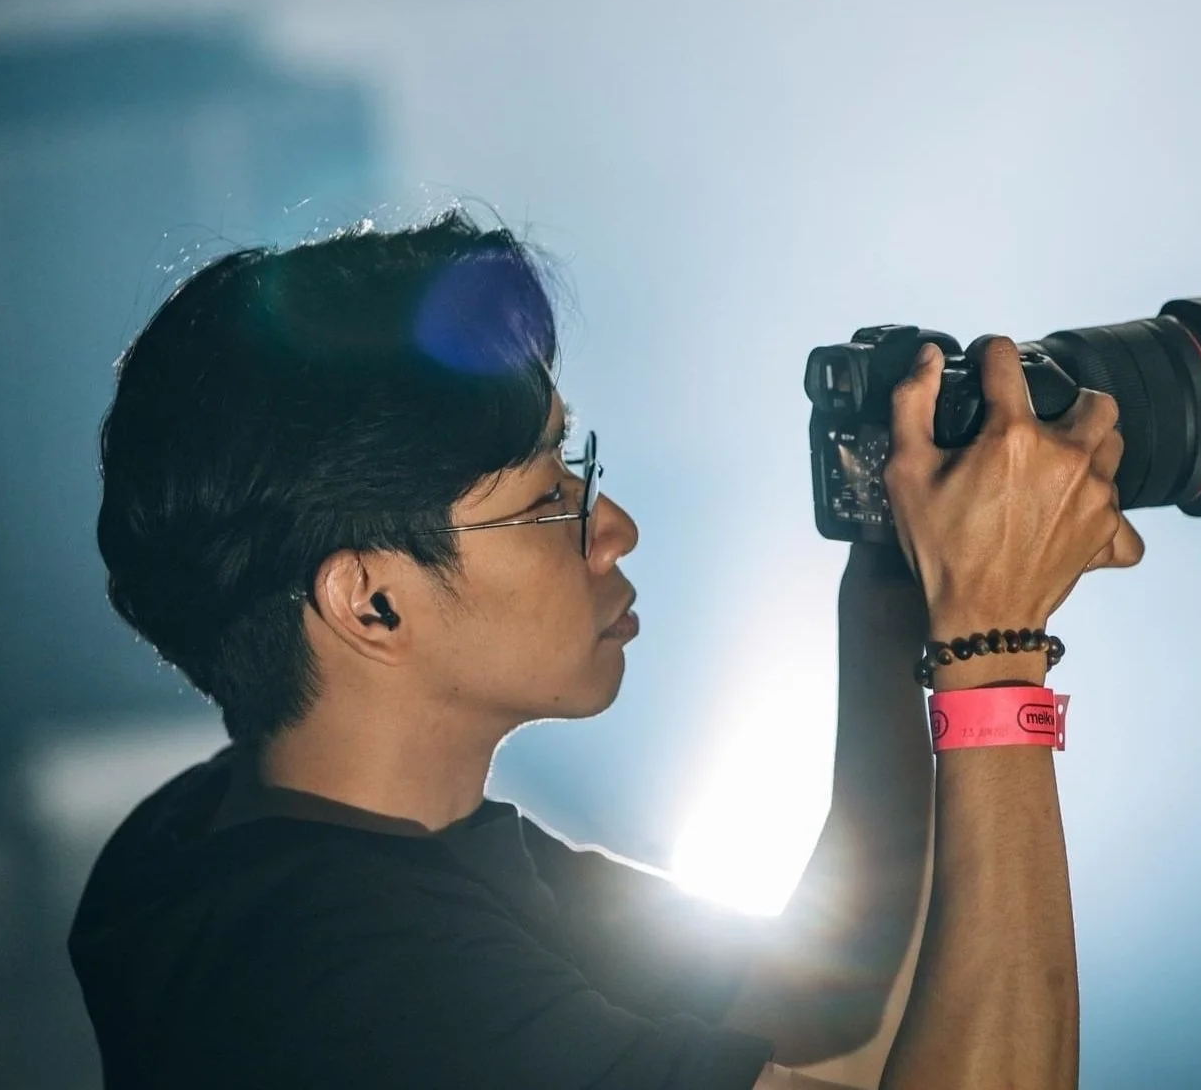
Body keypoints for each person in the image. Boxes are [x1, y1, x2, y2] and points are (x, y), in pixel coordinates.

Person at [69, 211, 1140, 1089]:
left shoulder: (222, 850)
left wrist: (892, 592)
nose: (611, 523)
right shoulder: (341, 983)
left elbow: (833, 1020)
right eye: (546, 499)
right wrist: (993, 653)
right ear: (371, 602)